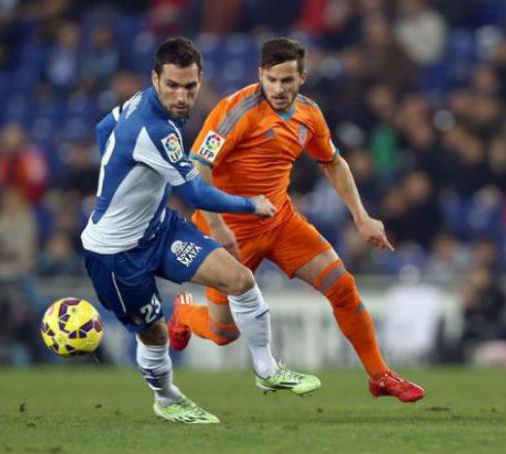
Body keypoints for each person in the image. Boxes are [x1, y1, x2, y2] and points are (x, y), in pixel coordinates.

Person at [169, 37, 424, 403]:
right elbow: (197, 169)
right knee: (223, 333)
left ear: (302, 77)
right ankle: (184, 314)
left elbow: (333, 163)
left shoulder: (309, 114)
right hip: (228, 231)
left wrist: (362, 217)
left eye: (287, 80)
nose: (278, 89)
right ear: (260, 74)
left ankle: (380, 376)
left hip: (279, 221)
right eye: (271, 79)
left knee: (342, 285)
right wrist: (219, 227)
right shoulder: (235, 112)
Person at [81, 37, 320, 425]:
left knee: (239, 279)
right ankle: (167, 398)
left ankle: (267, 370)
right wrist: (250, 204)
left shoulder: (141, 101)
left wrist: (120, 170)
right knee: (154, 333)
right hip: (114, 253)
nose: (181, 97)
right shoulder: (153, 128)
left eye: (190, 87)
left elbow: (102, 127)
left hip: (158, 229)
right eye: (172, 86)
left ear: (200, 80)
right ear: (155, 78)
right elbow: (192, 192)